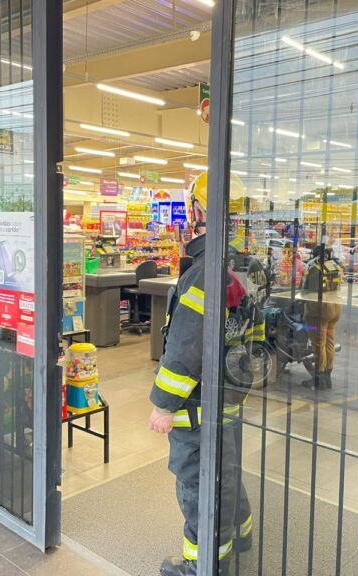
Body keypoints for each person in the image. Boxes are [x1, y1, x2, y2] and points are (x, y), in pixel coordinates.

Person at [149, 171, 254, 576]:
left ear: (197, 210)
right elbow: (257, 335)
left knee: (197, 485)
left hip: (197, 406)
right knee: (227, 472)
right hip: (229, 399)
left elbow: (186, 348)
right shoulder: (245, 265)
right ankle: (240, 535)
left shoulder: (204, 270)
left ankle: (200, 566)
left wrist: (162, 404)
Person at [302, 244, 343, 390]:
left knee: (318, 344)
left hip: (318, 313)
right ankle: (327, 377)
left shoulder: (315, 268)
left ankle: (318, 379)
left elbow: (309, 292)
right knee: (329, 342)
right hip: (335, 310)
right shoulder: (335, 266)